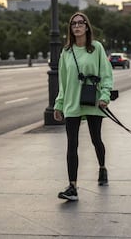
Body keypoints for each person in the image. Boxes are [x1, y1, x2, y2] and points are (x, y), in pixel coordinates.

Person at [54, 12, 114, 201]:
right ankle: (72, 187)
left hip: (92, 100)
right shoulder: (66, 51)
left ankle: (102, 167)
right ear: (70, 29)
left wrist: (104, 96)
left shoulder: (96, 48)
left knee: (96, 139)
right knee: (72, 145)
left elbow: (106, 74)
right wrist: (59, 104)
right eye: (74, 24)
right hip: (72, 103)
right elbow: (62, 81)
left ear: (87, 27)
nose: (77, 26)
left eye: (81, 23)